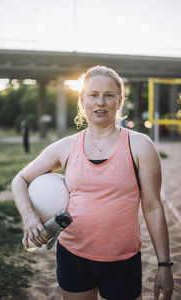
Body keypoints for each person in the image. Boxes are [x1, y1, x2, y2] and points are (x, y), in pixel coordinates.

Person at [12, 66, 174, 300]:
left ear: (119, 101)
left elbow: (153, 207)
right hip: (73, 257)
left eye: (109, 95)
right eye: (93, 95)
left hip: (123, 260)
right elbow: (20, 179)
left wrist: (163, 265)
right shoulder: (65, 147)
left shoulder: (140, 145)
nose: (101, 102)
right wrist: (28, 215)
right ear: (82, 100)